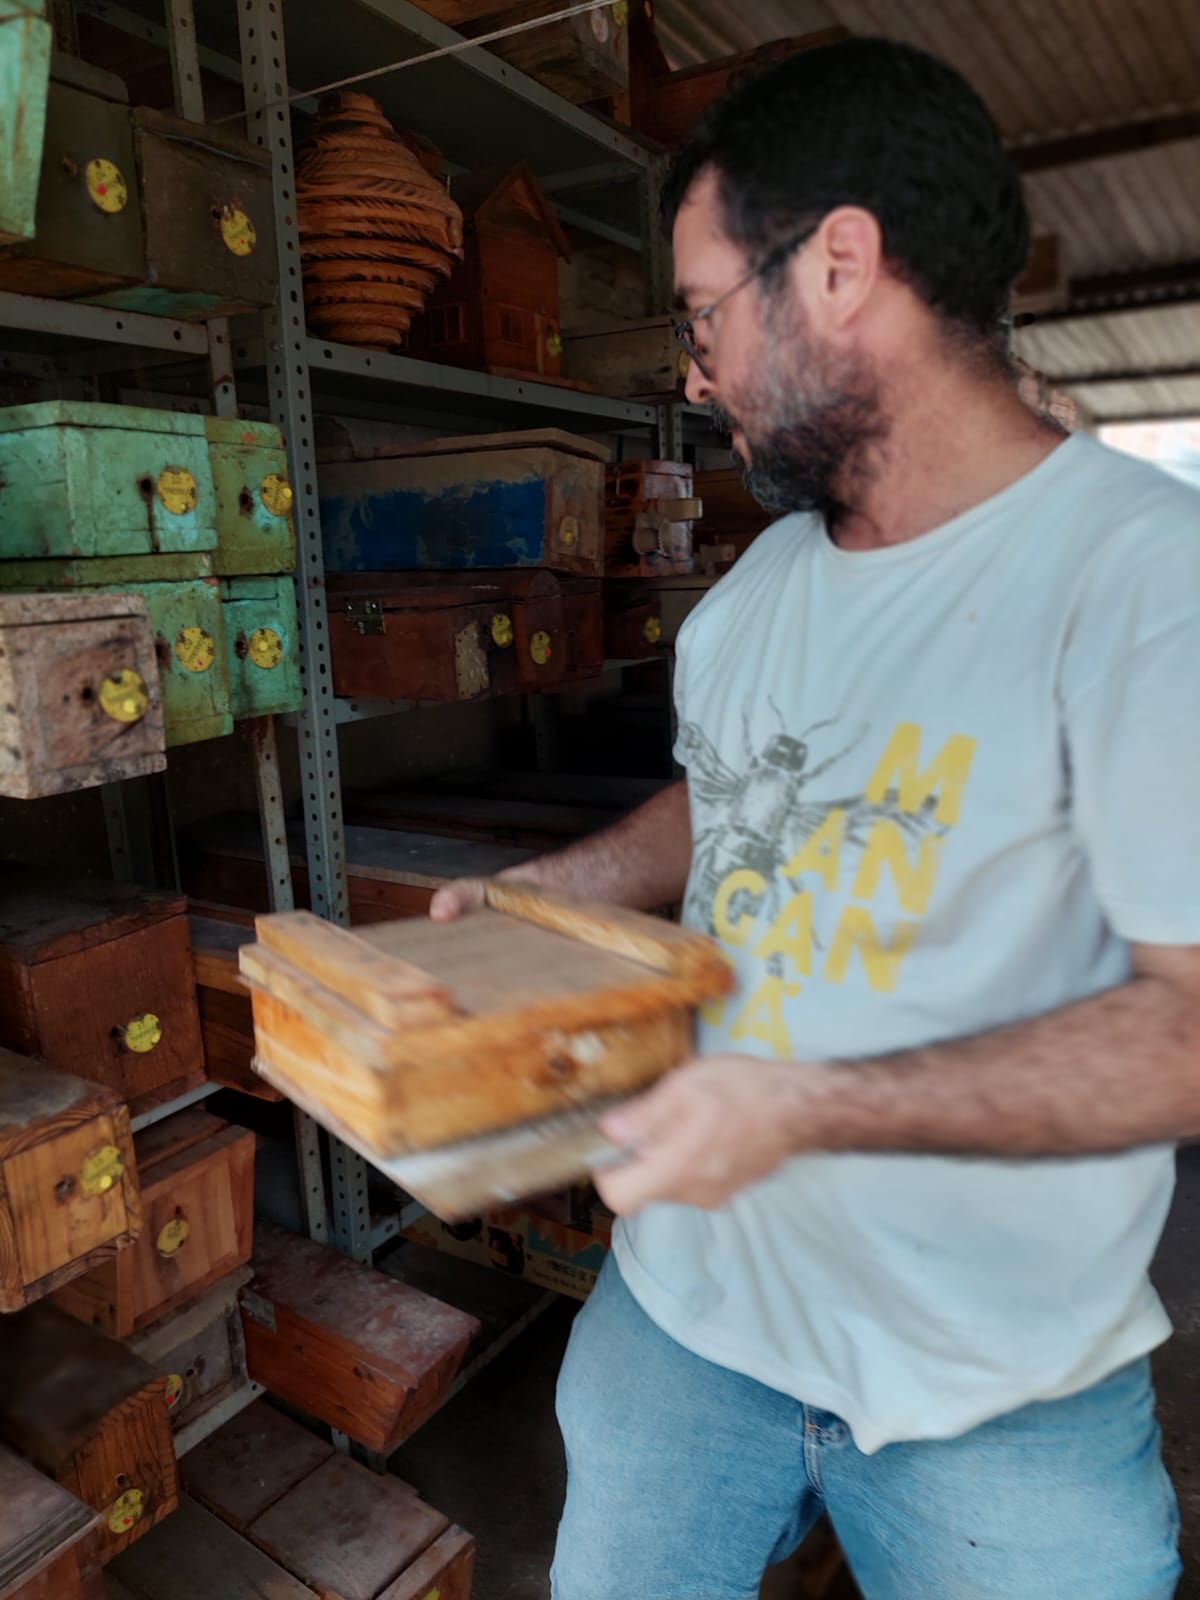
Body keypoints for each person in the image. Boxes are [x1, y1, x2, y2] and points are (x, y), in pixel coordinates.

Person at [431, 35, 1200, 1599]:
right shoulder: (768, 578)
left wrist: (801, 1105)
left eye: (705, 312)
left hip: (994, 1390)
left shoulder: (1142, 582)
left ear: (839, 267)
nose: (693, 369)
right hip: (683, 1324)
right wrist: (556, 890)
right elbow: (730, 796)